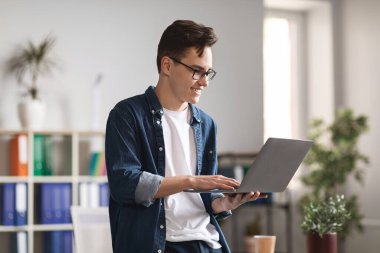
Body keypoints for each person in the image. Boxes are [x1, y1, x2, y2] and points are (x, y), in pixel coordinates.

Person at [105, 20, 261, 253]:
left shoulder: (207, 124)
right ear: (167, 65)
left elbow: (203, 200)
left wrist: (223, 203)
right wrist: (190, 182)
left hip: (209, 244)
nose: (205, 82)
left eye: (208, 73)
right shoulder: (127, 115)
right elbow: (124, 183)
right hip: (161, 245)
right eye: (196, 71)